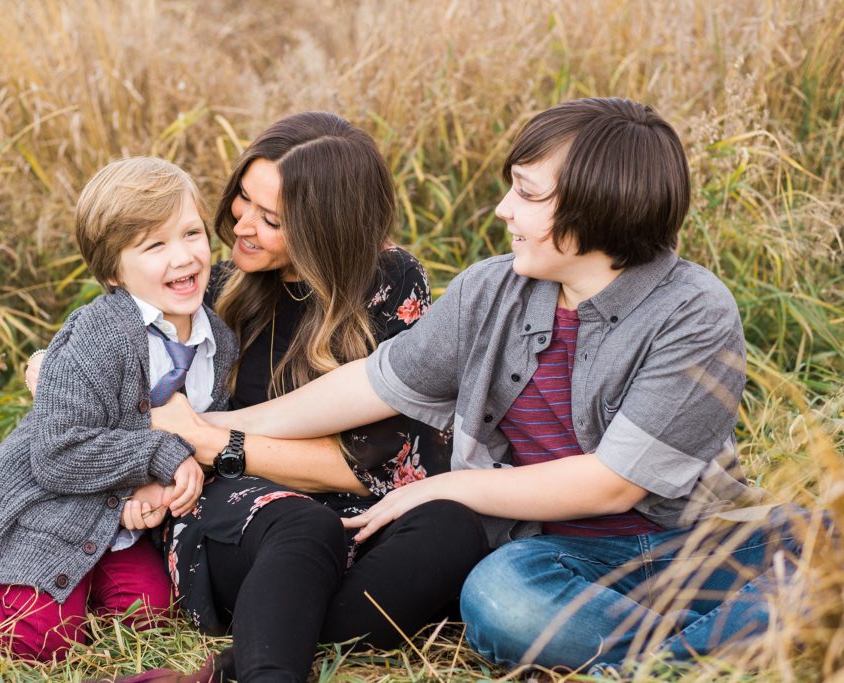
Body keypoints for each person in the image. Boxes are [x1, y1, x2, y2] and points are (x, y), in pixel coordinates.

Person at [202, 98, 809, 671]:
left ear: (596, 209)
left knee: (825, 539)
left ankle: (645, 657)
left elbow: (612, 484)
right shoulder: (490, 289)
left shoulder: (694, 311)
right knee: (498, 599)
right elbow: (372, 384)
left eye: (526, 193)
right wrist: (212, 429)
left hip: (687, 544)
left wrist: (447, 489)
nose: (502, 210)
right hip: (549, 558)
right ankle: (741, 637)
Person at [32, 112, 488, 683]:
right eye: (242, 199)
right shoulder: (216, 288)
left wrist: (212, 439)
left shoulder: (388, 283)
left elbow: (376, 470)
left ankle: (253, 650)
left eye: (271, 219)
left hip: (356, 516)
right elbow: (94, 357)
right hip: (235, 515)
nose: (242, 224)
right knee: (301, 527)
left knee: (454, 526)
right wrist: (46, 372)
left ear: (328, 228)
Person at [0, 157, 238, 661]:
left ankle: (81, 590)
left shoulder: (220, 341)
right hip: (46, 506)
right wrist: (159, 456)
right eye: (155, 245)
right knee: (42, 639)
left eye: (191, 233)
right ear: (113, 270)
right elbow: (59, 453)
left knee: (149, 613)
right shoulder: (99, 333)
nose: (184, 256)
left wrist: (154, 491)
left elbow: (197, 433)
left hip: (115, 524)